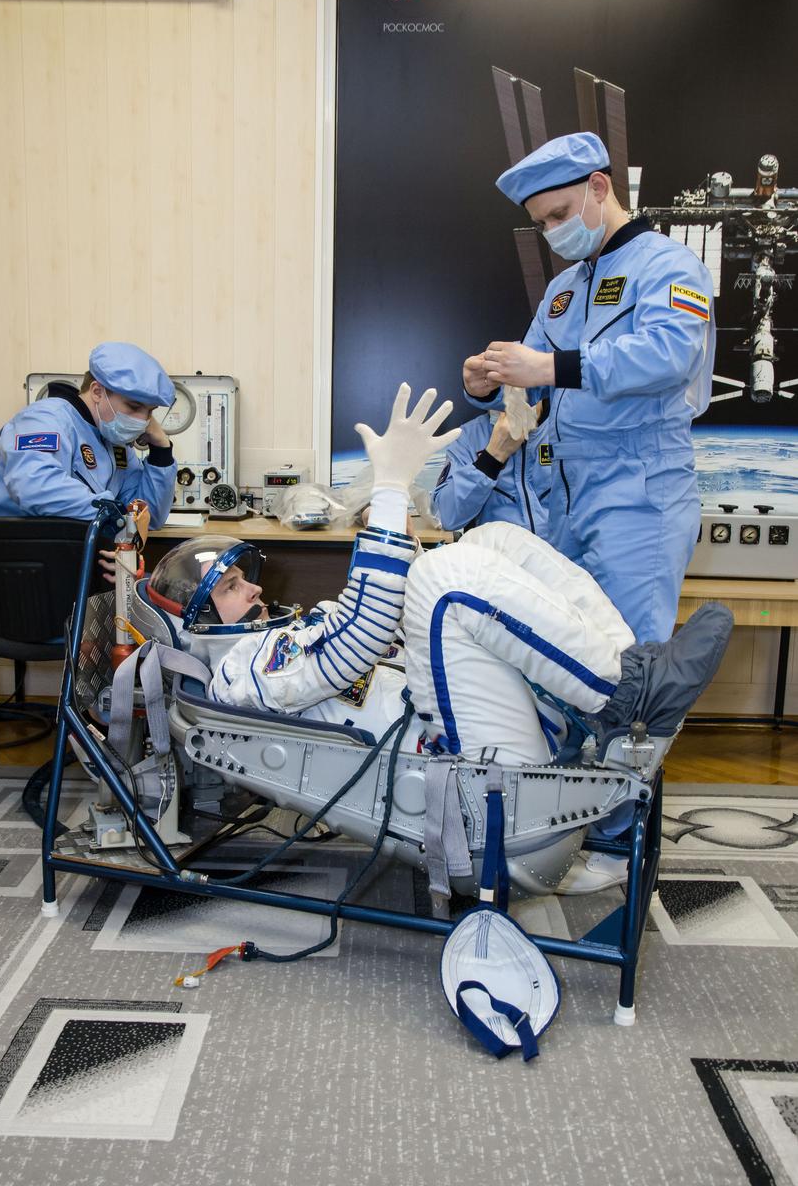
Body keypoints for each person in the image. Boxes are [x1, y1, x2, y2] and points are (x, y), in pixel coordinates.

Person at [136, 383, 732, 894]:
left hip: (487, 751)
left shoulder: (277, 637)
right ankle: (627, 701)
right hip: (480, 803)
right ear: (204, 622)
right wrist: (393, 487)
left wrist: (395, 522)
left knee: (490, 541)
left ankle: (627, 679)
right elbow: (359, 639)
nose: (255, 591)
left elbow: (366, 624)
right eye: (232, 586)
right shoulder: (245, 669)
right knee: (444, 583)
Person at [463, 132, 716, 642]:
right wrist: (489, 385)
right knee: (571, 656)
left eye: (559, 215)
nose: (553, 232)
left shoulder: (668, 264)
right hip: (565, 494)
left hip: (639, 490)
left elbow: (669, 356)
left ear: (599, 186)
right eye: (542, 224)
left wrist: (549, 368)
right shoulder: (563, 289)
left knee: (629, 658)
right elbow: (528, 393)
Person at [0, 341, 178, 528]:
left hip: (73, 553)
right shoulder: (45, 418)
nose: (143, 421)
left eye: (150, 411)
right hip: (16, 552)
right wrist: (114, 517)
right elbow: (35, 487)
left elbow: (147, 518)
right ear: (97, 392)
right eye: (134, 407)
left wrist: (161, 450)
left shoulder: (114, 443)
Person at [432, 391, 550, 534]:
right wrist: (492, 457)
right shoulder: (467, 438)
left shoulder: (567, 431)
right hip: (497, 552)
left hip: (559, 553)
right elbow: (447, 517)